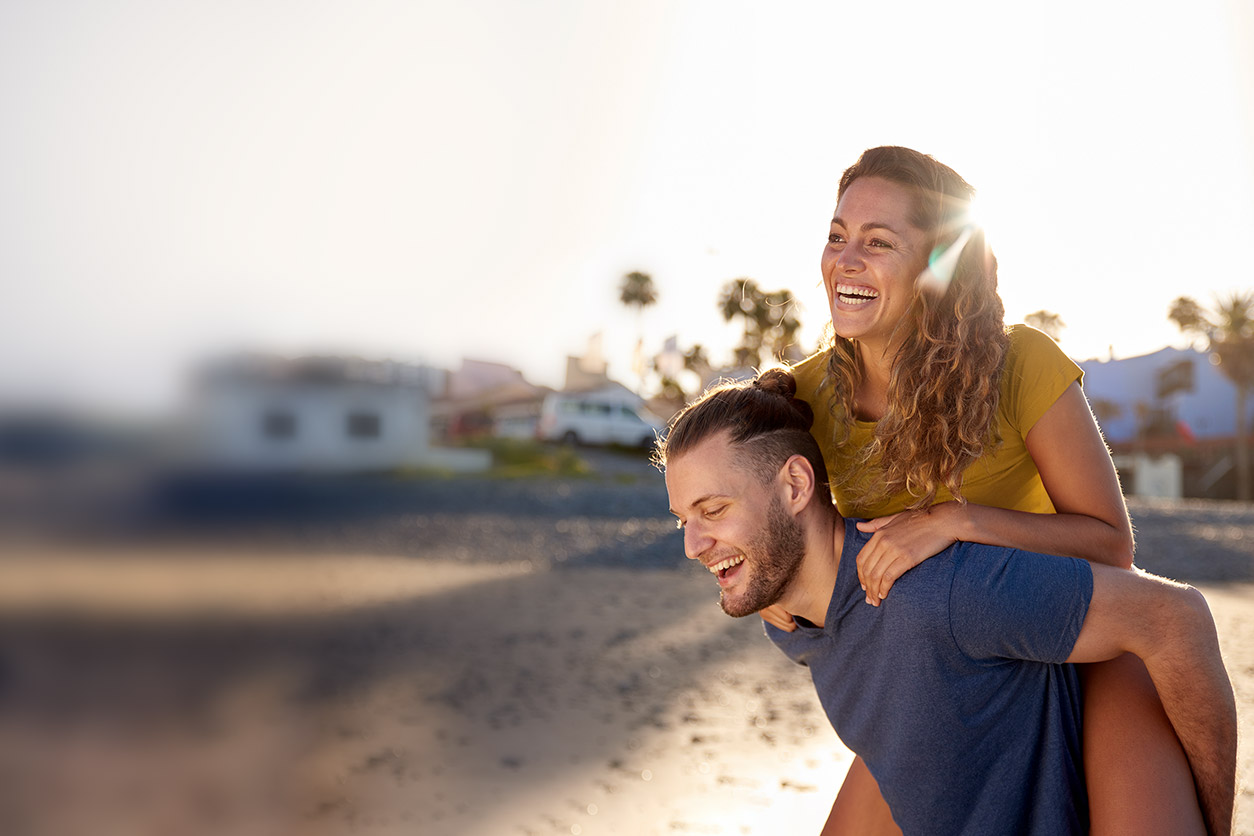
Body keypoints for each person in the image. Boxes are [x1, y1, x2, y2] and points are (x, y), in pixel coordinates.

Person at [760, 145, 1198, 834]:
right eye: (837, 236)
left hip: (1078, 647)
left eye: (878, 242)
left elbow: (1111, 545)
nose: (846, 259)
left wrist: (956, 521)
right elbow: (778, 521)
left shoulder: (1018, 361)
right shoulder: (809, 396)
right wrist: (775, 589)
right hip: (938, 680)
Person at [658, 370, 1237, 836]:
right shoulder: (789, 620)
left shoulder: (936, 589)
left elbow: (1176, 616)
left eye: (713, 511)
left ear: (794, 487)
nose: (691, 545)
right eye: (684, 519)